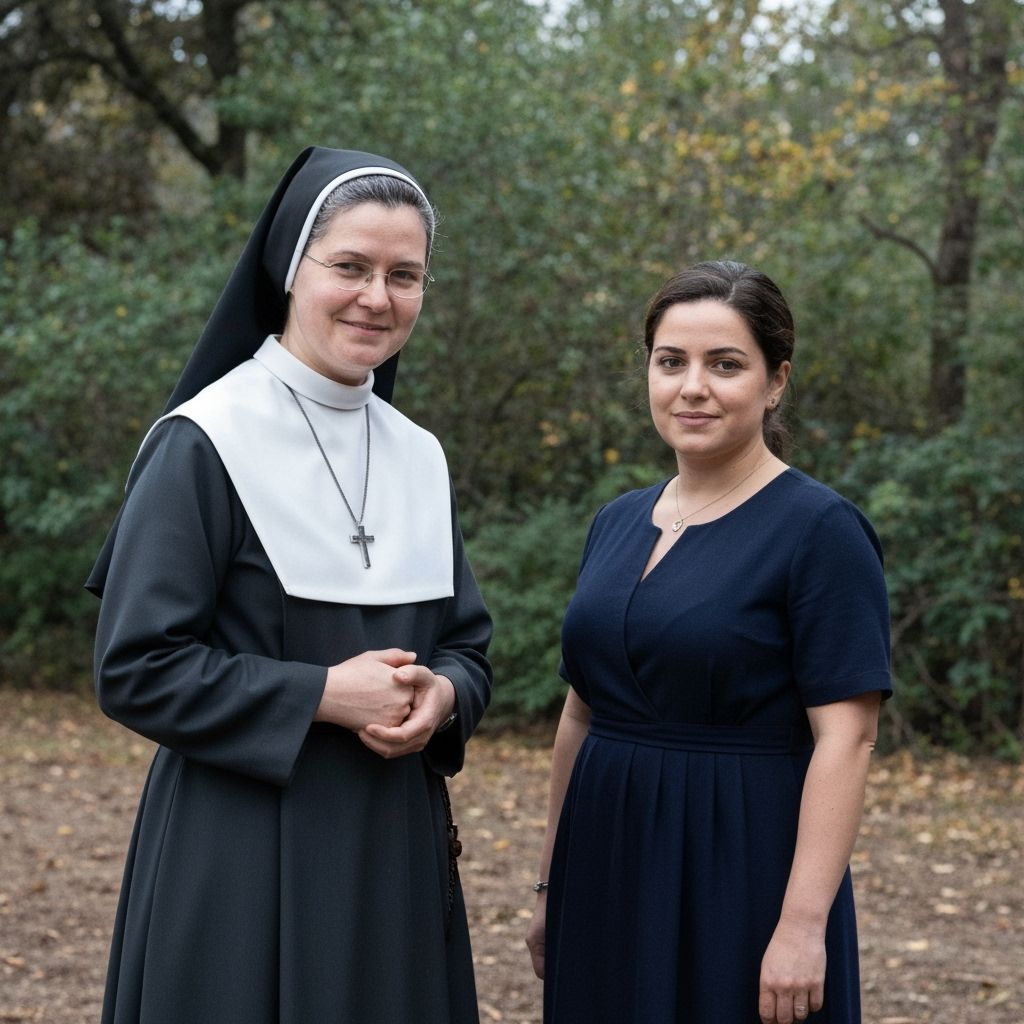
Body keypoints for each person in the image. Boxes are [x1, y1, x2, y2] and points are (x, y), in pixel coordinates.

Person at [87, 147, 492, 1024]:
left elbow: (468, 645)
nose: (377, 297)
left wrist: (445, 696)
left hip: (393, 849)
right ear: (289, 269)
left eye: (404, 275)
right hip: (240, 854)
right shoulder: (204, 440)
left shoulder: (419, 454)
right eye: (350, 266)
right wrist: (322, 695)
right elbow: (136, 668)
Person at [526, 260, 891, 1024]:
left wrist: (802, 925)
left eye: (725, 365)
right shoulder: (616, 521)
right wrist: (552, 884)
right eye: (671, 362)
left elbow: (847, 737)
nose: (692, 387)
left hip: (741, 864)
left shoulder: (820, 530)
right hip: (606, 857)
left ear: (776, 381)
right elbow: (580, 714)